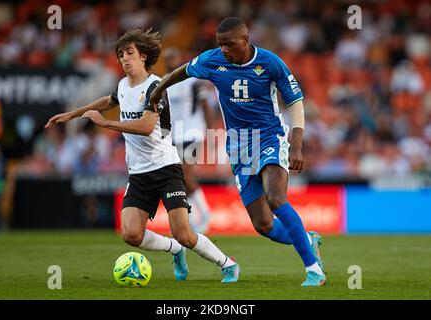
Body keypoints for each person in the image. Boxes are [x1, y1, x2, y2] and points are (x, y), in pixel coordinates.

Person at [45, 28, 239, 283]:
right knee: (131, 234)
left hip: (166, 168)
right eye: (120, 54)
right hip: (138, 172)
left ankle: (228, 264)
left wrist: (106, 124)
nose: (124, 58)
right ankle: (174, 250)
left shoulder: (155, 87)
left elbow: (147, 127)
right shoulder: (123, 85)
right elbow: (110, 100)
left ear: (143, 56)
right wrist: (72, 114)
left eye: (129, 53)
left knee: (185, 234)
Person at [150, 17, 326, 286]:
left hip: (269, 137)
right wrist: (158, 89)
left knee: (276, 198)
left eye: (229, 45)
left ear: (245, 40)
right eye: (220, 45)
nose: (224, 50)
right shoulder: (212, 60)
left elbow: (295, 102)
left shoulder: (269, 62)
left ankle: (314, 270)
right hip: (239, 146)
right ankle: (308, 239)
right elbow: (183, 71)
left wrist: (297, 144)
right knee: (263, 225)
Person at [162, 47, 214, 233]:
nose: (171, 60)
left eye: (174, 56)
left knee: (183, 174)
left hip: (192, 133)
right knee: (180, 178)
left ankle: (205, 213)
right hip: (173, 136)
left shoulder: (193, 81)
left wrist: (211, 133)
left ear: (180, 58)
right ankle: (193, 219)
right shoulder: (163, 83)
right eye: (168, 57)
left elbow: (206, 105)